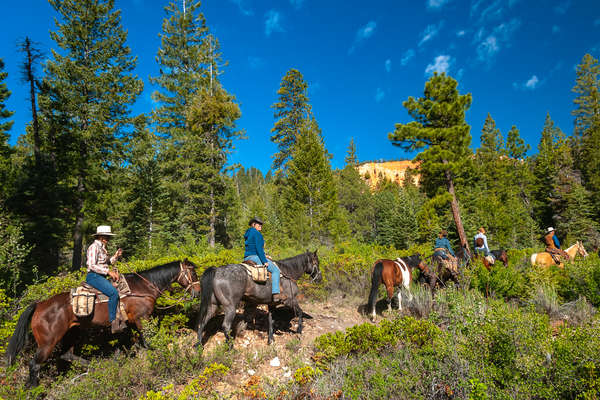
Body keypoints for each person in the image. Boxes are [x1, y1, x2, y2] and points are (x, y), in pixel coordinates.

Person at [85, 225, 124, 333]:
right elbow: (91, 265)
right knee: (113, 293)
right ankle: (113, 321)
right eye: (107, 237)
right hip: (94, 276)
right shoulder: (94, 247)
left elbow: (106, 263)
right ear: (101, 236)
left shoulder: (102, 248)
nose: (108, 239)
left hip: (100, 276)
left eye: (108, 237)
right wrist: (108, 272)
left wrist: (116, 256)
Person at [243, 217, 286, 303]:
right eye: (259, 224)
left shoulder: (248, 233)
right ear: (253, 224)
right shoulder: (257, 234)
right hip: (255, 256)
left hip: (247, 257)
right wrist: (264, 260)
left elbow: (253, 247)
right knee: (275, 271)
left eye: (261, 224)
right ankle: (276, 294)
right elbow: (259, 249)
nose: (261, 226)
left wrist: (265, 255)